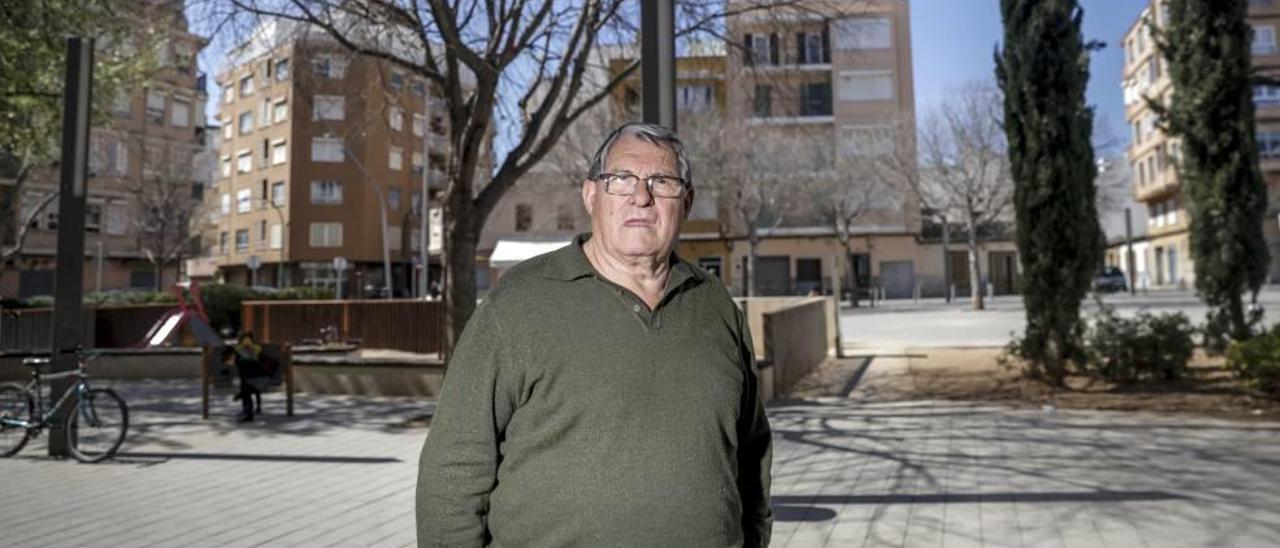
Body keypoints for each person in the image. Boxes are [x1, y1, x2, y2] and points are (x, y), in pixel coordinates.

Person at [416, 123, 773, 547]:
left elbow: (752, 455)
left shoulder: (715, 306)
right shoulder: (519, 303)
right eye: (620, 180)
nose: (641, 197)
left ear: (687, 201)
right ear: (591, 195)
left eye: (663, 182)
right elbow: (453, 468)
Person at [229, 331, 268, 422]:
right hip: (254, 377)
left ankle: (248, 414)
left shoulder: (241, 350)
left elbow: (236, 362)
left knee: (246, 394)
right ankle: (247, 410)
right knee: (247, 393)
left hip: (248, 377)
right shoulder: (255, 349)